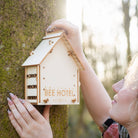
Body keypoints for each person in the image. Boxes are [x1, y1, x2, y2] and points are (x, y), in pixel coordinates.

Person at [7, 19, 138, 138]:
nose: (115, 86)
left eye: (130, 82)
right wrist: (77, 54)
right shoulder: (126, 132)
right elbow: (106, 118)